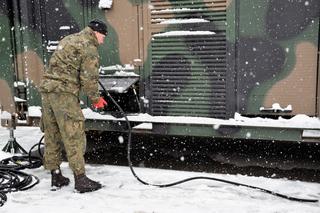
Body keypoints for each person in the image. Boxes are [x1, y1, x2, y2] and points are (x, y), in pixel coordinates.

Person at [39, 19, 108, 193]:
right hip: (64, 93)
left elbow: (56, 65)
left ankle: (56, 175)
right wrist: (95, 99)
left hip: (48, 91)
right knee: (73, 134)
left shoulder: (68, 39)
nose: (103, 40)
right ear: (96, 32)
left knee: (52, 133)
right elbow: (88, 78)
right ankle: (81, 179)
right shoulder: (89, 46)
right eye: (103, 36)